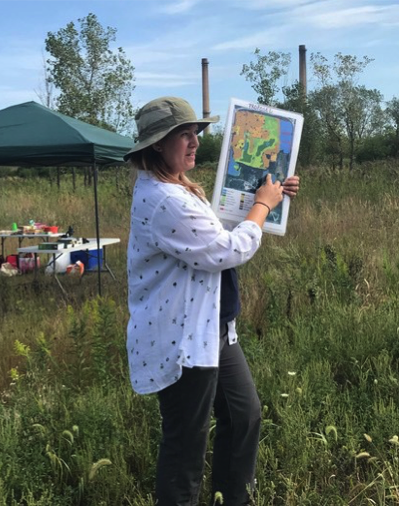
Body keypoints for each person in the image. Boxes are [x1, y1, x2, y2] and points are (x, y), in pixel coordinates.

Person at [124, 97, 300, 506]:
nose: (194, 143)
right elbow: (225, 249)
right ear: (156, 145)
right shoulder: (166, 198)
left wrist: (270, 197)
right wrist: (262, 205)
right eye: (182, 135)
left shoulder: (176, 186)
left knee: (243, 416)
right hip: (183, 341)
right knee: (185, 450)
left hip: (214, 331)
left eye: (195, 133)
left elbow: (211, 229)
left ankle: (232, 499)